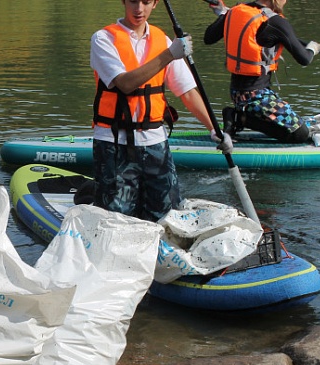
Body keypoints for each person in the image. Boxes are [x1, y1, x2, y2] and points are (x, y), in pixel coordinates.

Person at [91, 0, 226, 222]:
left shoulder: (162, 40)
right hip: (114, 143)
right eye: (133, 1)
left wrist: (214, 129)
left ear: (154, 4)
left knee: (168, 216)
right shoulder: (103, 39)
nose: (139, 9)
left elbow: (188, 92)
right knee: (118, 220)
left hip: (155, 143)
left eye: (146, 2)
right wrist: (170, 54)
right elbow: (125, 83)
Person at [203, 0, 320, 143]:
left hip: (237, 94)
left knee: (292, 126)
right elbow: (304, 59)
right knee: (301, 134)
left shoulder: (235, 11)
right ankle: (239, 118)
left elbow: (208, 38)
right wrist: (312, 49)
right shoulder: (277, 22)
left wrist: (224, 14)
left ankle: (240, 116)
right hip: (256, 97)